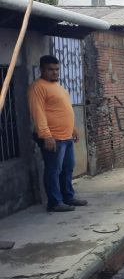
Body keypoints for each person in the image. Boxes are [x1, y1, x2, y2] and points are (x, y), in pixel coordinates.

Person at [28, 55, 88, 212]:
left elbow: (63, 110)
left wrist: (72, 128)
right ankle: (54, 202)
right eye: (50, 69)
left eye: (56, 70)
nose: (54, 73)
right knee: (54, 170)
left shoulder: (58, 86)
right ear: (42, 69)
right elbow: (38, 113)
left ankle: (68, 196)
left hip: (66, 136)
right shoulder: (38, 87)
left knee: (68, 168)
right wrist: (46, 135)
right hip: (53, 137)